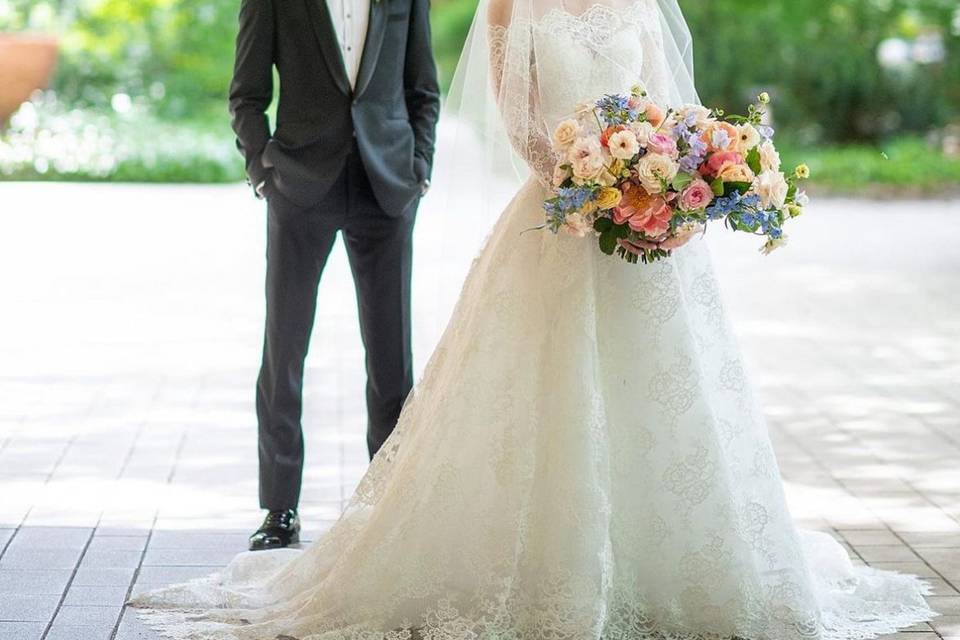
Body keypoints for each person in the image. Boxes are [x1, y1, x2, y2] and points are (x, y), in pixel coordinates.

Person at [129, 0, 935, 637]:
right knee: (500, 385)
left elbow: (670, 108)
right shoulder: (512, 3)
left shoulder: (644, 5)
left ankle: (665, 563)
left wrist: (663, 187)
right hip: (560, 213)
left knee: (654, 390)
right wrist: (584, 187)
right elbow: (517, 117)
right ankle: (302, 509)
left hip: (639, 222)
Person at [228, 0, 440, 551]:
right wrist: (262, 169)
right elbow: (247, 94)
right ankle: (280, 509)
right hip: (299, 187)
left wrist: (419, 169)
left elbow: (423, 88)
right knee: (285, 351)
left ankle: (389, 502)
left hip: (387, 187)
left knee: (393, 359)